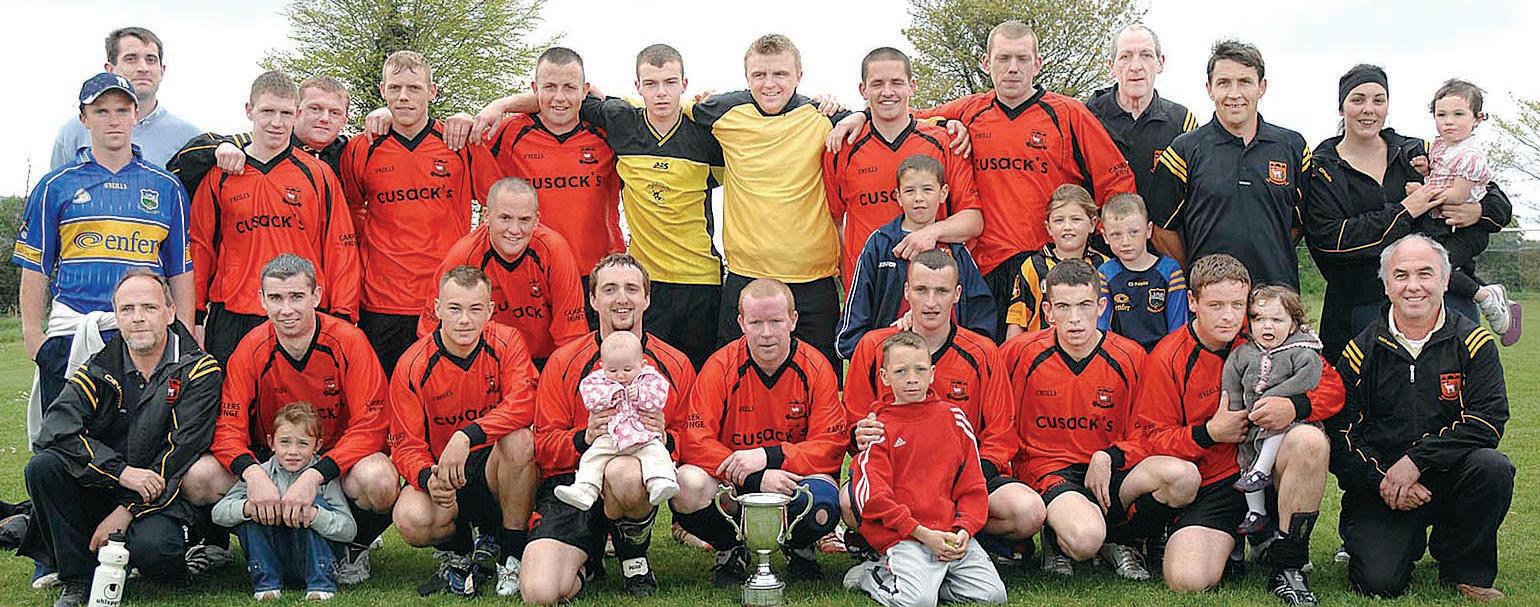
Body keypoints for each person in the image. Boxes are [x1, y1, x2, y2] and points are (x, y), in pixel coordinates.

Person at [466, 44, 726, 368]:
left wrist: (704, 107)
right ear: (535, 89)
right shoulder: (509, 133)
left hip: (600, 279)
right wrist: (494, 107)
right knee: (532, 368)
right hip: (531, 277)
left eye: (570, 87)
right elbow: (465, 147)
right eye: (549, 87)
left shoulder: (607, 132)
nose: (559, 97)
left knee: (605, 373)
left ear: (584, 90)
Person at [1131, 254, 1343, 605]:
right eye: (1215, 305)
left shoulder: (1267, 331)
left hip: (1269, 472)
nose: (1228, 316)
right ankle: (1244, 538)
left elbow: (1332, 387)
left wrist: (1295, 406)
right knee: (1187, 579)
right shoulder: (1168, 357)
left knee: (1308, 439)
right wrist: (1209, 433)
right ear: (1192, 302)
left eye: (1237, 304)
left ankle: (1288, 565)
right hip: (1215, 483)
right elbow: (1150, 439)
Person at [910, 20, 1135, 338]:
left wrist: (1100, 238)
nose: (1013, 68)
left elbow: (1117, 183)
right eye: (1003, 58)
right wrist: (943, 123)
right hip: (987, 267)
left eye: (1022, 59)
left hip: (1051, 266)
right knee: (991, 359)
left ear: (1037, 64)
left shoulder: (1069, 114)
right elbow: (907, 118)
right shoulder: (971, 111)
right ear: (986, 63)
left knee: (1051, 361)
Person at [184, 255, 397, 585]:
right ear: (261, 300)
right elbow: (227, 427)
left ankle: (353, 547)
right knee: (198, 477)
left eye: (297, 297)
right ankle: (219, 544)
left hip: (337, 460)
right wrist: (254, 474)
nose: (287, 310)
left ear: (316, 295)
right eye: (276, 298)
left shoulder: (349, 342)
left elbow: (371, 424)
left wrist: (315, 474)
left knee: (380, 480)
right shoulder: (251, 348)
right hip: (273, 457)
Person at [1328, 234, 1512, 602]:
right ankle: (1399, 539)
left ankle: (1465, 568)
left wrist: (1416, 461)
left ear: (1445, 281)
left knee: (1492, 467)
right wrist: (1384, 479)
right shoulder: (1359, 351)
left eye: (1425, 274)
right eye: (1401, 275)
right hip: (1384, 486)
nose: (1413, 286)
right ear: (1386, 285)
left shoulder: (1474, 342)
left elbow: (1488, 421)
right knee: (1378, 583)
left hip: (1451, 477)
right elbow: (1341, 437)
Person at [22, 271, 221, 607]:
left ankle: (178, 555)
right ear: (116, 316)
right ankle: (77, 579)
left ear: (170, 312)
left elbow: (179, 453)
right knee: (43, 466)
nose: (138, 317)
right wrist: (121, 472)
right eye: (127, 309)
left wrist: (125, 511)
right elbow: (55, 430)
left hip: (163, 495)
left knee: (156, 552)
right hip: (108, 482)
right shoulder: (98, 366)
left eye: (149, 307)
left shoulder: (199, 370)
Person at [17, 72, 195, 446]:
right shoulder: (54, 186)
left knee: (139, 444)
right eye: (101, 111)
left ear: (135, 116)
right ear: (84, 118)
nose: (113, 120)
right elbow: (35, 268)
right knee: (64, 447)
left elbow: (181, 270)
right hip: (71, 331)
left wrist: (186, 333)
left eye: (122, 110)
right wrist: (34, 338)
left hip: (143, 332)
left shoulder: (166, 187)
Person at [1300, 64, 1513, 363]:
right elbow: (1330, 239)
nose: (1369, 109)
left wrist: (1477, 211)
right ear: (1341, 107)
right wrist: (1405, 211)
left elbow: (1499, 205)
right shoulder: (1322, 167)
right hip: (1361, 305)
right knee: (1368, 390)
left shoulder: (1417, 151)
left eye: (1378, 100)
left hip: (1442, 299)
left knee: (1456, 386)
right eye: (1358, 100)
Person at [1000, 260, 1197, 580]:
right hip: (1052, 472)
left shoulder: (1131, 356)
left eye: (1084, 305)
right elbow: (996, 416)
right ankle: (1058, 535)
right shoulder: (1018, 354)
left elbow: (1147, 430)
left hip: (1111, 470)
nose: (1075, 319)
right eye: (1063, 307)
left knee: (1184, 479)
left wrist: (1110, 456)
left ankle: (1121, 540)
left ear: (1102, 306)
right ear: (1048, 312)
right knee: (1085, 539)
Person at [842, 249, 1040, 561]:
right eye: (921, 290)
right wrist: (859, 434)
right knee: (848, 503)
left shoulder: (983, 352)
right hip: (897, 479)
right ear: (907, 292)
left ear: (957, 294)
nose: (931, 302)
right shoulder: (874, 347)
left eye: (942, 291)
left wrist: (962, 480)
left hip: (965, 479)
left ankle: (962, 537)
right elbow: (853, 424)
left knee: (1028, 511)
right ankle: (897, 548)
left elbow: (1001, 435)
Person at [522, 254, 696, 602]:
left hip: (631, 483)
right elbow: (543, 445)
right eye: (610, 289)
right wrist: (583, 438)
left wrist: (665, 438)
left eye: (632, 289)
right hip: (575, 483)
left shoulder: (675, 364)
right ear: (592, 299)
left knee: (625, 472)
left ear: (646, 298)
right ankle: (589, 559)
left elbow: (693, 441)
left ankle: (634, 556)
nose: (621, 299)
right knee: (540, 593)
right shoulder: (564, 361)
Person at [693, 34, 852, 371]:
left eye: (780, 74)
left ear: (799, 76)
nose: (769, 84)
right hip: (746, 276)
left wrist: (857, 116)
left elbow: (886, 116)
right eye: (759, 75)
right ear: (746, 77)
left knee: (820, 378)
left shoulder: (823, 116)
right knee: (731, 378)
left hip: (812, 279)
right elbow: (662, 106)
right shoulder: (723, 112)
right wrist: (599, 100)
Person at [673, 279, 848, 585]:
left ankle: (800, 549)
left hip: (791, 479)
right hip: (734, 482)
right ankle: (731, 549)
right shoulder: (719, 366)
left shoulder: (817, 367)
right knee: (687, 484)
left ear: (793, 320)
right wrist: (753, 477)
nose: (766, 333)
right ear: (741, 323)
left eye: (776, 321)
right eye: (756, 323)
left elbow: (830, 445)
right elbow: (695, 442)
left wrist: (771, 456)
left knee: (824, 499)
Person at [338, 50, 500, 375]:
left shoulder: (458, 143)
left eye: (414, 88)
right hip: (382, 301)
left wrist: (470, 256)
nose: (404, 97)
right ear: (382, 91)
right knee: (384, 392)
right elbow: (350, 209)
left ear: (431, 91)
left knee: (443, 392)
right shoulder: (362, 147)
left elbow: (496, 203)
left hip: (446, 297)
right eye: (395, 88)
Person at [389, 266, 541, 597]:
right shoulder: (412, 364)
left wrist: (467, 435)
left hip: (494, 469)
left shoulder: (507, 342)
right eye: (455, 308)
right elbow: (405, 444)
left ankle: (511, 555)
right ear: (438, 309)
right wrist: (427, 477)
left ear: (490, 310)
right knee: (410, 517)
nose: (464, 320)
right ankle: (458, 551)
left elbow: (524, 404)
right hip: (445, 473)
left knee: (520, 440)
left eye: (475, 309)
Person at [189, 70, 360, 364]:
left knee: (298, 396)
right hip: (233, 316)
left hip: (300, 313)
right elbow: (201, 247)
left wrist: (343, 316)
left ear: (297, 114)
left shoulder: (319, 175)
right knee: (231, 394)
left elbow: (340, 249)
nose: (277, 123)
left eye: (286, 113)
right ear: (250, 110)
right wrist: (195, 317)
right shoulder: (221, 175)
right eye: (268, 112)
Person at [841, 331, 1008, 607]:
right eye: (901, 371)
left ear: (932, 374)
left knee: (993, 595)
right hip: (905, 535)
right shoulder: (877, 428)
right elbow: (872, 499)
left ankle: (933, 582)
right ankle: (871, 574)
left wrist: (964, 529)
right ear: (884, 377)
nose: (911, 378)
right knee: (917, 602)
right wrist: (921, 533)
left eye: (920, 370)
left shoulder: (954, 419)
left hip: (950, 532)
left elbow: (973, 486)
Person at [1148, 40, 1308, 290]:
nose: (1234, 94)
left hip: (1276, 298)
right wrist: (1196, 275)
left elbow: (1298, 225)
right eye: (1224, 83)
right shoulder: (1183, 151)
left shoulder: (1293, 147)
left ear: (1262, 87)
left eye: (1245, 82)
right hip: (1212, 300)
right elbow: (1161, 230)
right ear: (1209, 89)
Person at [822, 47, 982, 288]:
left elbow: (973, 220)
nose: (887, 92)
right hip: (871, 288)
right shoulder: (841, 147)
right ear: (863, 90)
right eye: (877, 84)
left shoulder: (945, 141)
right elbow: (836, 223)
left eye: (896, 83)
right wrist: (852, 286)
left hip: (930, 288)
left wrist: (932, 233)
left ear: (911, 86)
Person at [416, 178, 587, 368]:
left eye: (524, 220)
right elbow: (430, 333)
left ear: (537, 220)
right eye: (505, 218)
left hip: (546, 360)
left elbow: (571, 338)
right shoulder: (464, 255)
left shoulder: (554, 250)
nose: (514, 230)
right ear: (487, 216)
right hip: (487, 361)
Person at [837, 155, 994, 359]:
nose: (919, 198)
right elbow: (853, 322)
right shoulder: (880, 244)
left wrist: (963, 355)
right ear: (898, 197)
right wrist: (876, 352)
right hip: (891, 363)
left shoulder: (956, 249)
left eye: (927, 190)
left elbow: (981, 316)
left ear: (943, 193)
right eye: (910, 191)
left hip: (948, 363)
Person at [1408, 80, 1521, 345]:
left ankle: (1485, 297)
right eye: (1441, 114)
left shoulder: (1470, 155)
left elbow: (1457, 195)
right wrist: (1426, 170)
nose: (1449, 121)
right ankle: (1494, 297)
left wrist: (1422, 193)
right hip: (1445, 225)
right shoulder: (1441, 146)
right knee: (1439, 266)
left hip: (1469, 229)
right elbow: (1442, 176)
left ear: (1477, 119)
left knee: (1436, 267)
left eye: (1458, 114)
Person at [212, 403, 356, 601]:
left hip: (312, 555)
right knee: (255, 505)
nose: (292, 451)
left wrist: (315, 515)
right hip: (273, 551)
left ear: (317, 445)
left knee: (312, 503)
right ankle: (266, 583)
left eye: (303, 444)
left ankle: (320, 583)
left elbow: (348, 529)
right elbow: (218, 513)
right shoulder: (260, 473)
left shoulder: (324, 479)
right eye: (285, 442)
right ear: (271, 442)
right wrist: (248, 508)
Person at [1222, 286, 1321, 536]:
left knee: (1276, 430)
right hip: (1252, 423)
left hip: (1288, 424)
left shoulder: (1301, 352)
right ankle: (1256, 512)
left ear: (1293, 325)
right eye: (1259, 319)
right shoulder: (1243, 353)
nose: (1268, 326)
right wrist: (1236, 413)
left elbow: (1309, 378)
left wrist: (1275, 398)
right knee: (1245, 459)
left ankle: (1262, 470)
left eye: (1277, 320)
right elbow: (1231, 383)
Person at [170, 75, 354, 202]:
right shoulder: (256, 145)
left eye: (335, 112)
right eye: (315, 108)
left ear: (345, 119)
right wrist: (219, 147)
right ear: (298, 110)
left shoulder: (350, 153)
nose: (324, 118)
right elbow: (179, 166)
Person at [555, 330, 678, 510]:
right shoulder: (598, 380)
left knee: (656, 453)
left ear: (642, 364)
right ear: (602, 366)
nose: (620, 376)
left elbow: (659, 398)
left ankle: (660, 482)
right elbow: (590, 399)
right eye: (613, 370)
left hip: (643, 435)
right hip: (610, 436)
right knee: (593, 456)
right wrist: (610, 395)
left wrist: (641, 395)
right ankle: (585, 489)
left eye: (627, 369)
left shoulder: (650, 378)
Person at [51, 27, 200, 171]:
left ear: (162, 71)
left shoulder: (189, 137)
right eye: (131, 59)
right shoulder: (74, 132)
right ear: (110, 69)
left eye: (151, 59)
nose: (143, 68)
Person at [1085, 24, 1198, 203]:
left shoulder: (1182, 122)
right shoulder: (1086, 118)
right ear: (1111, 66)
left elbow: (1197, 192)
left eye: (1146, 55)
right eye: (1125, 56)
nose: (1136, 66)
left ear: (1160, 63)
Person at [1003, 184, 1109, 339]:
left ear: (1093, 224)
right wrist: (1011, 353)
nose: (1067, 227)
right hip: (1041, 350)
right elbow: (1017, 321)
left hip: (1091, 349)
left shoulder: (1104, 266)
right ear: (1048, 227)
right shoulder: (1033, 266)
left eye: (1076, 219)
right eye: (1059, 220)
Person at [1097, 193, 1188, 351]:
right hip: (1121, 356)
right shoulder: (1106, 272)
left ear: (1148, 230)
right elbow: (1102, 328)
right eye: (1116, 235)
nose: (1126, 242)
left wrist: (1164, 358)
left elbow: (1178, 328)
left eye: (1134, 232)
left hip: (1164, 356)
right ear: (1105, 236)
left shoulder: (1170, 271)